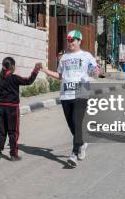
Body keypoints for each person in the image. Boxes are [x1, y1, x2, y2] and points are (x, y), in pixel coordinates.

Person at [41, 30, 99, 167]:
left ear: (79, 41)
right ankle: (82, 142)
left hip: (81, 93)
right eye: (68, 40)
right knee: (71, 125)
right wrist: (45, 70)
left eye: (72, 40)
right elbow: (60, 76)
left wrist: (96, 72)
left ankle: (74, 154)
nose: (70, 43)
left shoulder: (86, 56)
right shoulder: (64, 58)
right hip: (66, 95)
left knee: (77, 122)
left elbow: (95, 70)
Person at [0, 58, 41, 161]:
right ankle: (13, 154)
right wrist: (36, 70)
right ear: (13, 67)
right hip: (12, 109)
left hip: (1, 108)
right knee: (13, 131)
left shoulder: (0, 79)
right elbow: (28, 81)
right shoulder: (14, 78)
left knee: (1, 131)